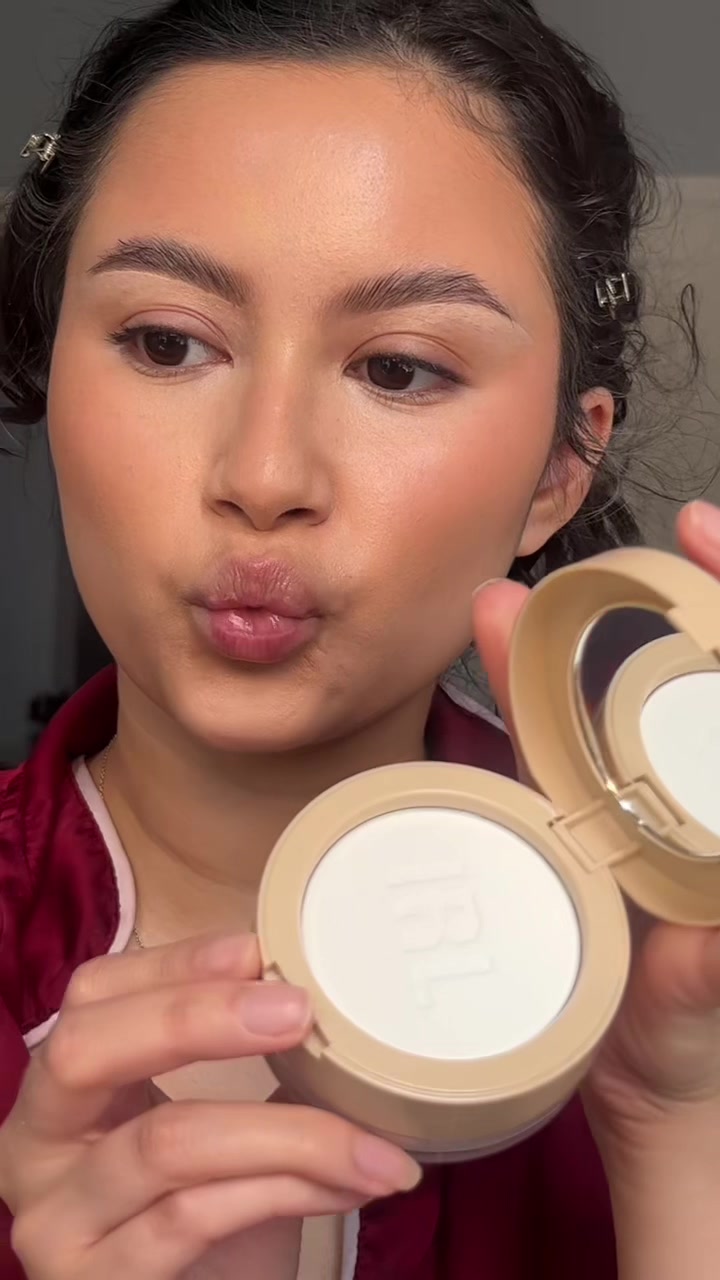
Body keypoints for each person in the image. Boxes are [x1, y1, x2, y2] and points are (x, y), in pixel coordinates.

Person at [0, 1, 717, 1276]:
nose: (265, 474)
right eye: (167, 342)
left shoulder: (674, 999)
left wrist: (679, 1136)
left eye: (397, 368)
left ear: (560, 469)